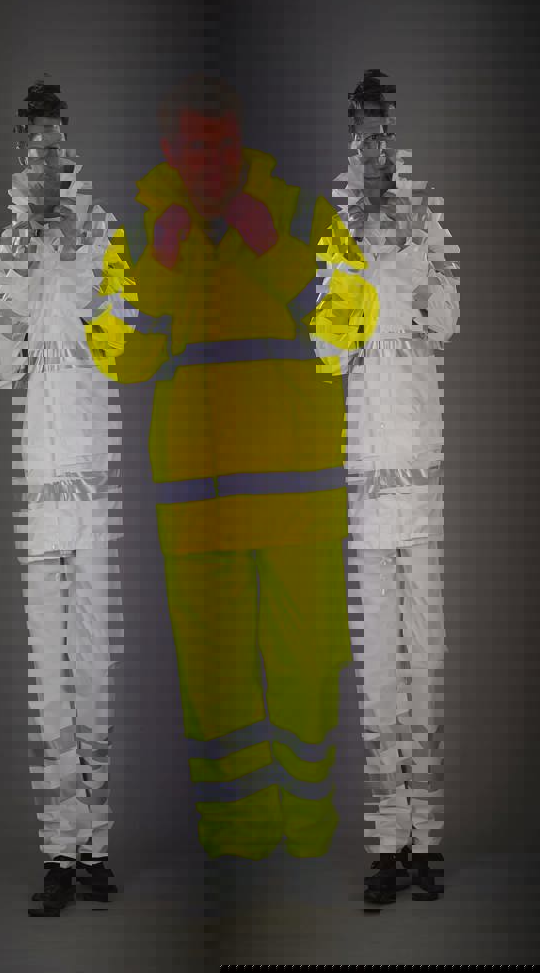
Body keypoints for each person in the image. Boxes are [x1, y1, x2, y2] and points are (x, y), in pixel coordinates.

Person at [83, 73, 378, 861]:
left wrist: (271, 246)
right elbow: (118, 356)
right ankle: (240, 832)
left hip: (298, 503)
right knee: (215, 683)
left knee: (306, 667)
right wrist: (165, 263)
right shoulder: (142, 238)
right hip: (197, 508)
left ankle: (310, 832)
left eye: (217, 142)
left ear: (239, 133)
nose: (205, 160)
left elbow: (347, 333)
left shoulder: (302, 217)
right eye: (189, 144)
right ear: (167, 144)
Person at [311, 69, 459, 904]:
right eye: (363, 127)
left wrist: (416, 259)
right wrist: (355, 286)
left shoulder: (426, 214)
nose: (374, 141)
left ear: (395, 131)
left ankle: (427, 842)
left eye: (384, 127)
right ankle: (387, 846)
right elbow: (325, 354)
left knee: (425, 668)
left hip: (423, 488)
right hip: (368, 491)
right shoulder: (338, 227)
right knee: (378, 677)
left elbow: (450, 320)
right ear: (352, 132)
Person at [0, 79, 123, 915]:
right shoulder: (10, 246)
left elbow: (123, 345)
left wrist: (83, 278)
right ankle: (58, 857)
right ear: (22, 150)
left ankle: (95, 851)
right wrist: (23, 290)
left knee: (93, 670)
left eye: (54, 140)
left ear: (68, 144)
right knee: (49, 681)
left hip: (93, 489)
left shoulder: (103, 232)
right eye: (32, 142)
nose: (45, 154)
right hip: (39, 489)